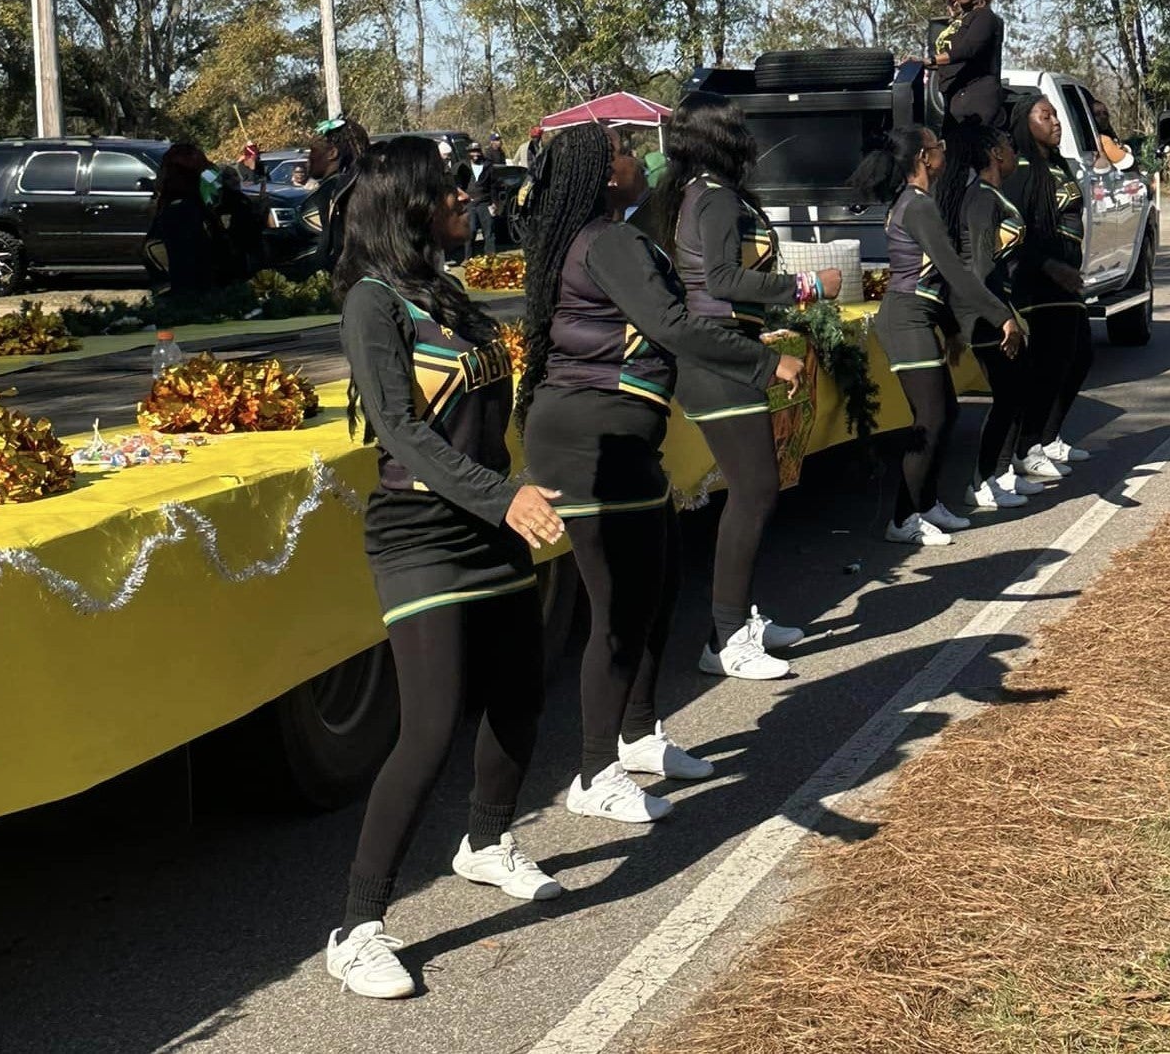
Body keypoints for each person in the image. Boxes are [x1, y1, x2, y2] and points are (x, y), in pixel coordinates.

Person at [326, 137, 566, 1000]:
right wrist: (499, 497)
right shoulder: (371, 303)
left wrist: (516, 483)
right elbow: (403, 433)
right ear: (411, 206)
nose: (468, 202)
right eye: (451, 193)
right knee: (429, 730)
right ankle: (356, 927)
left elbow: (482, 414)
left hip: (486, 517)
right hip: (420, 534)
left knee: (521, 693)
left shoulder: (449, 295)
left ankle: (488, 841)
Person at [519, 121, 803, 822]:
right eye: (623, 149)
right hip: (592, 443)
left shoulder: (602, 233)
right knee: (617, 612)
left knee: (658, 587)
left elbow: (657, 325)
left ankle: (639, 735)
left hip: (617, 439)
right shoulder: (608, 240)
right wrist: (765, 361)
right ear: (604, 172)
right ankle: (592, 773)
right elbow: (672, 325)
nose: (638, 155)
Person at [656, 92, 843, 677]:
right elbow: (720, 278)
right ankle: (727, 638)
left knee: (756, 490)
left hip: (729, 351)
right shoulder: (712, 197)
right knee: (755, 490)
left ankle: (734, 621)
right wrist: (807, 288)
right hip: (714, 359)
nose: (750, 137)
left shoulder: (705, 193)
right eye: (739, 127)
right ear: (720, 137)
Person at [850, 125, 1022, 546]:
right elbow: (954, 269)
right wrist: (1002, 316)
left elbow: (937, 280)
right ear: (924, 159)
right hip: (906, 319)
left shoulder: (915, 202)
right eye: (937, 146)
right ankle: (903, 518)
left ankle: (926, 505)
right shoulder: (918, 205)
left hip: (919, 316)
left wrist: (949, 327)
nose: (944, 151)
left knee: (945, 412)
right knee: (931, 421)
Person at [935, 122, 1040, 511]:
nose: (1014, 151)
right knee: (1008, 394)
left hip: (999, 308)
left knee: (1019, 390)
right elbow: (977, 267)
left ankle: (1001, 474)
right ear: (996, 154)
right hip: (979, 314)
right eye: (1008, 145)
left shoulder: (994, 195)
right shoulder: (980, 199)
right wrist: (1000, 318)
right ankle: (980, 483)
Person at [1004, 97, 1094, 474]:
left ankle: (1049, 437)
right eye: (1046, 116)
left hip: (1066, 280)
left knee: (1080, 357)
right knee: (1048, 365)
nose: (1056, 122)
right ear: (1026, 124)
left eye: (1055, 115)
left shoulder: (1057, 166)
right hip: (1039, 281)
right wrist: (1050, 266)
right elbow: (1014, 235)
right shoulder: (1021, 170)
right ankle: (1026, 448)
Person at [927, 0, 1006, 132]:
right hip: (954, 98)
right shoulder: (958, 21)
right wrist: (920, 63)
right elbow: (950, 60)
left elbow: (968, 49)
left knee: (975, 153)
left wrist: (932, 59)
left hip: (976, 97)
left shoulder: (984, 16)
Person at [147, 143, 232, 293]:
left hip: (188, 297)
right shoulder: (189, 211)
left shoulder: (181, 212)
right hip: (195, 295)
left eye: (163, 171)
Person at [299, 116, 370, 273]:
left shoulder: (331, 191)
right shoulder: (362, 187)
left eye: (313, 151)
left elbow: (302, 239)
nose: (308, 158)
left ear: (332, 153)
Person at [463, 142, 500, 258]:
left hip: (485, 202)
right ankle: (468, 258)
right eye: (473, 152)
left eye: (477, 151)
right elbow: (458, 184)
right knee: (471, 231)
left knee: (489, 231)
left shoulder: (488, 166)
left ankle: (490, 256)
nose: (475, 154)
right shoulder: (463, 166)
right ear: (468, 153)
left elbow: (494, 185)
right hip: (470, 203)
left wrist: (494, 203)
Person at [1091, 99, 1136, 171]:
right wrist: (1126, 150)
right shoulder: (1103, 139)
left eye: (1105, 113)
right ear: (1090, 118)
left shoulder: (1109, 137)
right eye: (1097, 114)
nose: (1103, 117)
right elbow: (1124, 161)